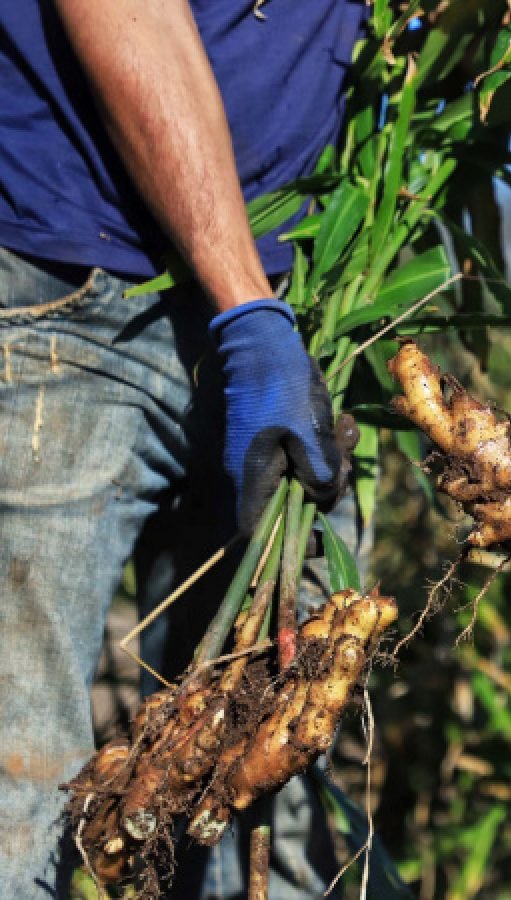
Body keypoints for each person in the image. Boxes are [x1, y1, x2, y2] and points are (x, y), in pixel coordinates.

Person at [0, 1, 367, 896]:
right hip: (71, 290)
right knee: (17, 789)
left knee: (274, 778)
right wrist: (247, 311)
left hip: (300, 302)